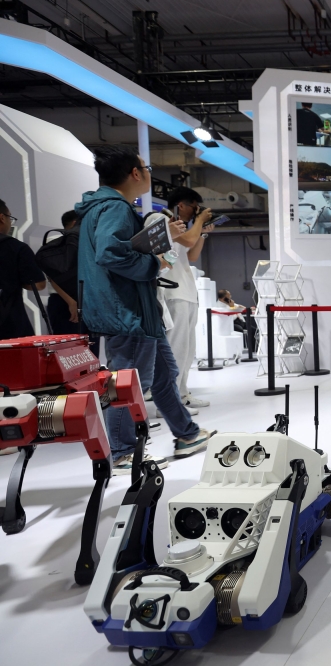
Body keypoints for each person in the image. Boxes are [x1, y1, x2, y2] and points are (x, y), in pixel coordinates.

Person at [77, 145, 215, 475]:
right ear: (135, 174)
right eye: (146, 167)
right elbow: (111, 254)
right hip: (127, 312)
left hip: (137, 310)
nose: (150, 173)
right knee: (128, 381)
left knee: (165, 375)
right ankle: (123, 451)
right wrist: (153, 263)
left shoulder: (105, 208)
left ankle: (187, 435)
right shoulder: (114, 209)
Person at [165, 187, 215, 411]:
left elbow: (192, 255)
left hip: (187, 291)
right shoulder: (164, 220)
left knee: (187, 349)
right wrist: (199, 223)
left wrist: (202, 232)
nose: (197, 211)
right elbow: (186, 242)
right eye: (194, 207)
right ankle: (170, 401)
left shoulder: (184, 228)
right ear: (181, 205)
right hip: (173, 292)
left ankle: (182, 393)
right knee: (176, 349)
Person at [0, 198, 47, 340]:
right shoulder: (16, 248)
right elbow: (38, 284)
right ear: (2, 218)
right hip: (9, 325)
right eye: (10, 218)